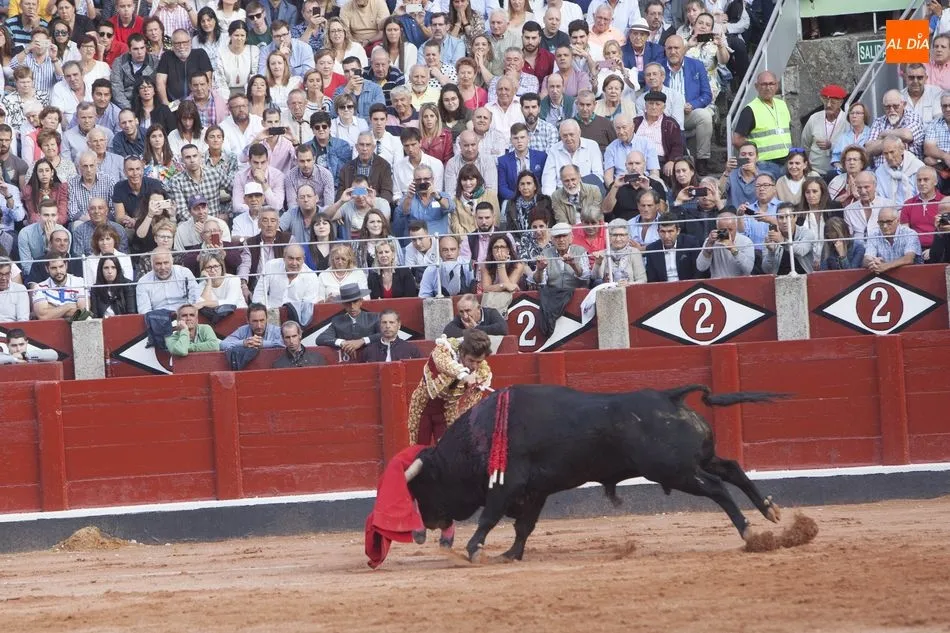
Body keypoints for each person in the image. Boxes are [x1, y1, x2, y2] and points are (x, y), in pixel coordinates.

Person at [406, 328, 493, 447]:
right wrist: (465, 376)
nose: (474, 366)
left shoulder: (482, 372)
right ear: (462, 352)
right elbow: (444, 364)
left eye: (478, 362)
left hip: (447, 412)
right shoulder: (444, 349)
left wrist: (460, 424)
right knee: (418, 450)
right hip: (422, 407)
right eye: (471, 360)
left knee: (448, 449)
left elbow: (470, 404)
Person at [662, 34, 712, 175]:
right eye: (669, 48)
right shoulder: (658, 66)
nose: (673, 52)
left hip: (687, 113)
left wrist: (693, 104)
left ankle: (702, 159)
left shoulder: (696, 65)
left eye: (676, 48)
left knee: (705, 116)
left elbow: (707, 95)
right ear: (665, 50)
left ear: (684, 49)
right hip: (665, 115)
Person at [731, 71, 790, 174]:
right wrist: (751, 160)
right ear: (756, 86)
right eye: (764, 84)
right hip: (764, 164)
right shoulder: (750, 109)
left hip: (786, 161)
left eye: (771, 84)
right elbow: (737, 140)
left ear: (777, 85)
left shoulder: (782, 105)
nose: (768, 87)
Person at [541, 118, 604, 194]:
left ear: (579, 133)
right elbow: (548, 181)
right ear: (560, 136)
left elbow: (598, 176)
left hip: (587, 193)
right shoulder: (554, 150)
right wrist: (549, 199)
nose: (568, 138)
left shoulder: (592, 146)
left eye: (571, 134)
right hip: (562, 195)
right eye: (565, 136)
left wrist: (577, 188)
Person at [156, 29, 213, 105]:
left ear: (190, 42)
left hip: (197, 102)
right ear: (172, 44)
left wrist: (202, 102)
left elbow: (208, 80)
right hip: (173, 103)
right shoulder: (166, 56)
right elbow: (160, 81)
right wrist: (165, 102)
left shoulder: (200, 54)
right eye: (177, 43)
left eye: (185, 42)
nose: (181, 46)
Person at [801, 84, 848, 176]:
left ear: (841, 102)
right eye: (826, 101)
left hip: (838, 173)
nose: (828, 105)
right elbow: (805, 145)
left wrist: (831, 146)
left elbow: (850, 147)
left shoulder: (847, 121)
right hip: (815, 172)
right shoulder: (814, 118)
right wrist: (807, 167)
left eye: (833, 102)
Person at [136, 248, 200, 313]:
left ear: (172, 262)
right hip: (158, 317)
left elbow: (196, 298)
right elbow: (144, 311)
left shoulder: (184, 273)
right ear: (152, 264)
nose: (163, 267)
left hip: (184, 314)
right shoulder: (143, 282)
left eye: (166, 263)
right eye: (158, 264)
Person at [644, 212, 702, 282]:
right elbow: (652, 279)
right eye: (662, 232)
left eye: (670, 231)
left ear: (678, 231)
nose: (666, 236)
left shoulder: (690, 243)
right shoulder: (652, 249)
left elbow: (698, 272)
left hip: (688, 285)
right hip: (663, 287)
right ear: (658, 232)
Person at [761, 202, 816, 275]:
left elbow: (802, 251)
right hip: (779, 279)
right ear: (777, 219)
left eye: (788, 217)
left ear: (795, 218)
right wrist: (771, 252)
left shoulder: (806, 233)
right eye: (781, 217)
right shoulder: (772, 237)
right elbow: (766, 270)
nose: (784, 221)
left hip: (804, 277)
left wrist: (783, 241)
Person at [864, 207, 922, 273]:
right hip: (884, 276)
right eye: (881, 222)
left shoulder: (909, 234)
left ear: (898, 221)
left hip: (911, 274)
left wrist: (886, 266)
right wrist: (873, 262)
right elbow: (866, 259)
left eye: (889, 222)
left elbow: (909, 259)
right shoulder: (874, 234)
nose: (885, 226)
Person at [696, 211, 753, 278]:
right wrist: (708, 248)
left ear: (736, 227)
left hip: (739, 282)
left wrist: (733, 249)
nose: (727, 233)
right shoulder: (711, 241)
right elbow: (701, 267)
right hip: (717, 282)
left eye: (730, 229)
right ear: (717, 228)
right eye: (723, 230)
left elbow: (748, 269)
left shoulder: (746, 241)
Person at [31, 251, 87, 320]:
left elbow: (82, 313)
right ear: (47, 269)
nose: (58, 271)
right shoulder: (39, 287)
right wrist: (68, 306)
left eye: (61, 266)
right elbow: (43, 316)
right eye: (53, 268)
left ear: (66, 265)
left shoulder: (80, 282)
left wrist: (51, 308)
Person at [533, 222, 590, 288]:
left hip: (576, 291)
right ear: (552, 239)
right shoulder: (546, 253)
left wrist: (574, 265)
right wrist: (540, 270)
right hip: (552, 292)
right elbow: (539, 281)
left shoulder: (580, 251)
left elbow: (586, 276)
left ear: (571, 237)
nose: (561, 240)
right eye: (557, 237)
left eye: (564, 236)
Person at [590, 218, 646, 285]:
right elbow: (595, 279)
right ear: (609, 237)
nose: (618, 239)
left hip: (630, 290)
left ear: (628, 236)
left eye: (622, 235)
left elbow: (642, 280)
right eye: (614, 235)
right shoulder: (603, 253)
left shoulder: (634, 252)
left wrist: (629, 284)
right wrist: (598, 264)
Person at [843, 171, 896, 241]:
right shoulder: (849, 210)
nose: (863, 191)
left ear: (875, 186)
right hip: (858, 246)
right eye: (859, 187)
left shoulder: (888, 205)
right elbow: (849, 238)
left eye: (866, 187)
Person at [220, 302, 284, 351]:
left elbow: (286, 343)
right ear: (248, 320)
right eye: (255, 321)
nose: (259, 326)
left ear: (267, 319)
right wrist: (244, 343)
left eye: (262, 320)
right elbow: (222, 344)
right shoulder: (242, 331)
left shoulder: (277, 331)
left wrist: (263, 344)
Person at [443, 292, 508, 337]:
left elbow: (503, 329)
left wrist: (476, 328)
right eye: (461, 312)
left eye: (468, 311)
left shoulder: (491, 313)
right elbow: (447, 331)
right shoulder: (460, 317)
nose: (465, 316)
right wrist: (471, 331)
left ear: (478, 308)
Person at [0, 256, 30, 322]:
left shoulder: (20, 289)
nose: (4, 278)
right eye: (0, 274)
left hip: (12, 327)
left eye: (7, 274)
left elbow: (23, 319)